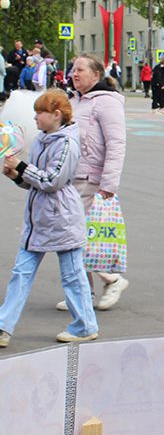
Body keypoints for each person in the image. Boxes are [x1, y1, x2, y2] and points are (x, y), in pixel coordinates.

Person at [0, 89, 99, 347]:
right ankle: (3, 327)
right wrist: (15, 175)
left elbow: (52, 180)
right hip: (39, 220)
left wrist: (21, 167)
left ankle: (85, 325)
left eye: (39, 113)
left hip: (62, 218)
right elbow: (34, 182)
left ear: (56, 115)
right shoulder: (42, 140)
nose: (34, 118)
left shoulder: (67, 143)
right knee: (20, 274)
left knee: (73, 276)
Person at [58, 53, 129, 312]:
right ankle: (83, 293)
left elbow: (116, 144)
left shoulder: (106, 102)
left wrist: (109, 184)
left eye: (80, 70)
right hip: (70, 178)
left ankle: (112, 280)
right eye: (73, 70)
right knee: (73, 237)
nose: (74, 74)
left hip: (92, 179)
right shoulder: (74, 100)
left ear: (96, 75)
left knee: (80, 238)